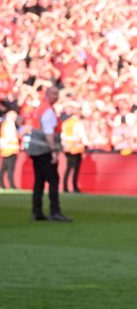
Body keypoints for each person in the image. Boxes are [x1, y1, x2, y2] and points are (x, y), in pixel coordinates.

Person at [26, 87, 73, 222]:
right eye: (54, 93)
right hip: (44, 150)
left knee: (39, 181)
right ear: (47, 95)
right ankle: (55, 211)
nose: (56, 96)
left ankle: (37, 211)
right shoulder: (48, 111)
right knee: (53, 180)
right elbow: (49, 133)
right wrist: (54, 151)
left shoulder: (40, 109)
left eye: (57, 94)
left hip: (35, 150)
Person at [61, 103, 88, 193]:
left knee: (68, 167)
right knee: (76, 168)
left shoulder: (66, 123)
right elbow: (82, 136)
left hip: (67, 147)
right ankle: (74, 186)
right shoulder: (78, 123)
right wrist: (86, 143)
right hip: (76, 147)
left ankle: (65, 186)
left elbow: (63, 135)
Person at [0, 110, 20, 189]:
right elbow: (9, 137)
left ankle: (3, 184)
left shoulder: (5, 124)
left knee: (4, 169)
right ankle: (12, 185)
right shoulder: (9, 125)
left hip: (7, 149)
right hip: (11, 150)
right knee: (10, 169)